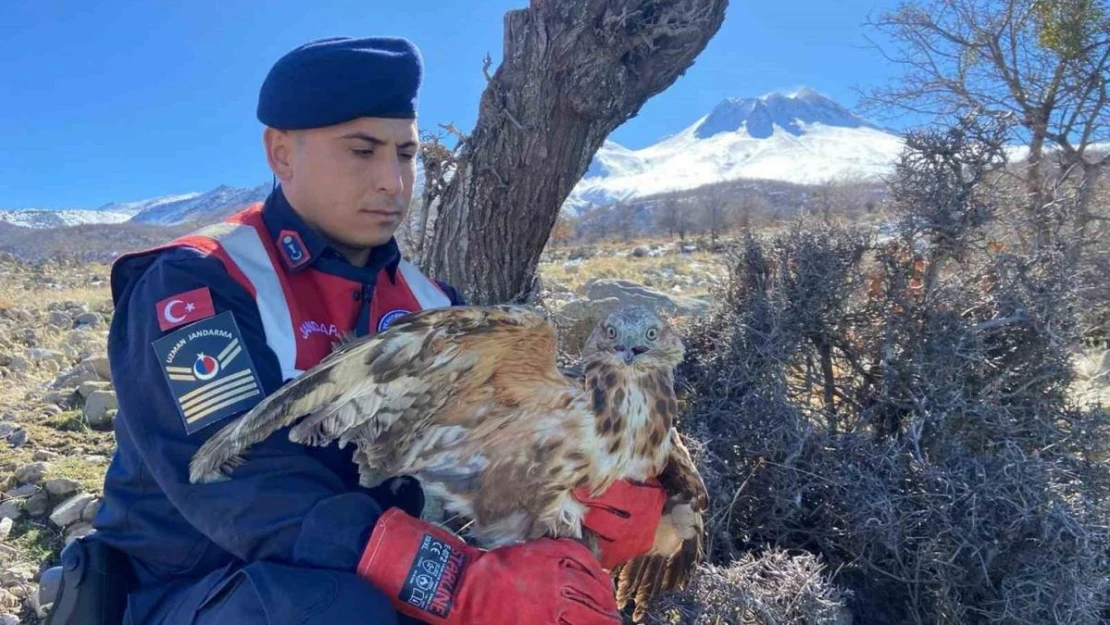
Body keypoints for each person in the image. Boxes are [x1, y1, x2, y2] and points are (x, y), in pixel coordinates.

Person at [86, 36, 668, 625]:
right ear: (282, 154)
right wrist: (452, 581)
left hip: (384, 576)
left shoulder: (434, 303)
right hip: (196, 588)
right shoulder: (198, 282)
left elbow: (475, 467)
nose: (393, 181)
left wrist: (578, 501)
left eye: (407, 154)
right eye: (362, 151)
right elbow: (245, 488)